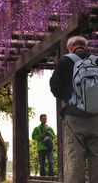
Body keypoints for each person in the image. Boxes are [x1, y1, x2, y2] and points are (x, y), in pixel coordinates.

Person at [50, 35, 98, 183]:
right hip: (96, 117)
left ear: (70, 47)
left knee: (74, 156)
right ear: (86, 47)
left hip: (74, 116)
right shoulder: (96, 60)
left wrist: (69, 98)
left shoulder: (64, 61)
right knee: (96, 157)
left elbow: (55, 88)